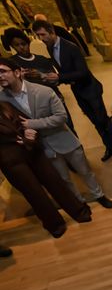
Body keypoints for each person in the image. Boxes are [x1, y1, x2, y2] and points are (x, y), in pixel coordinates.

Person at [0, 58, 112, 209]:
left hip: (64, 139)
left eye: (2, 71)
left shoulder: (43, 91)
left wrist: (32, 124)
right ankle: (79, 202)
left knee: (85, 171)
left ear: (17, 72)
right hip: (41, 148)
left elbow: (61, 117)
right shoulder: (2, 100)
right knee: (63, 179)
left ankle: (98, 194)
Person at [0, 100, 92, 237]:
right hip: (12, 161)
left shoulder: (5, 104)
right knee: (35, 193)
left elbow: (25, 121)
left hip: (32, 150)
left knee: (55, 181)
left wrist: (30, 136)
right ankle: (55, 225)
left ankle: (78, 211)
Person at [31, 20, 112, 161]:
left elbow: (83, 72)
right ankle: (109, 146)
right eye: (38, 36)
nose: (41, 39)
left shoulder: (71, 47)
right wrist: (55, 79)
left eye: (43, 34)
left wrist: (60, 77)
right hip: (78, 90)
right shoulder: (49, 47)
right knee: (94, 121)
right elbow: (64, 71)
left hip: (90, 89)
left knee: (102, 120)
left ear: (51, 31)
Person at [2, 27, 76, 132]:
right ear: (12, 46)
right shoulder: (12, 63)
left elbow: (56, 80)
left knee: (68, 128)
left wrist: (42, 75)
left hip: (53, 97)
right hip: (33, 105)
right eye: (17, 45)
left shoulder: (42, 59)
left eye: (23, 44)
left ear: (28, 43)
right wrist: (19, 77)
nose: (21, 48)